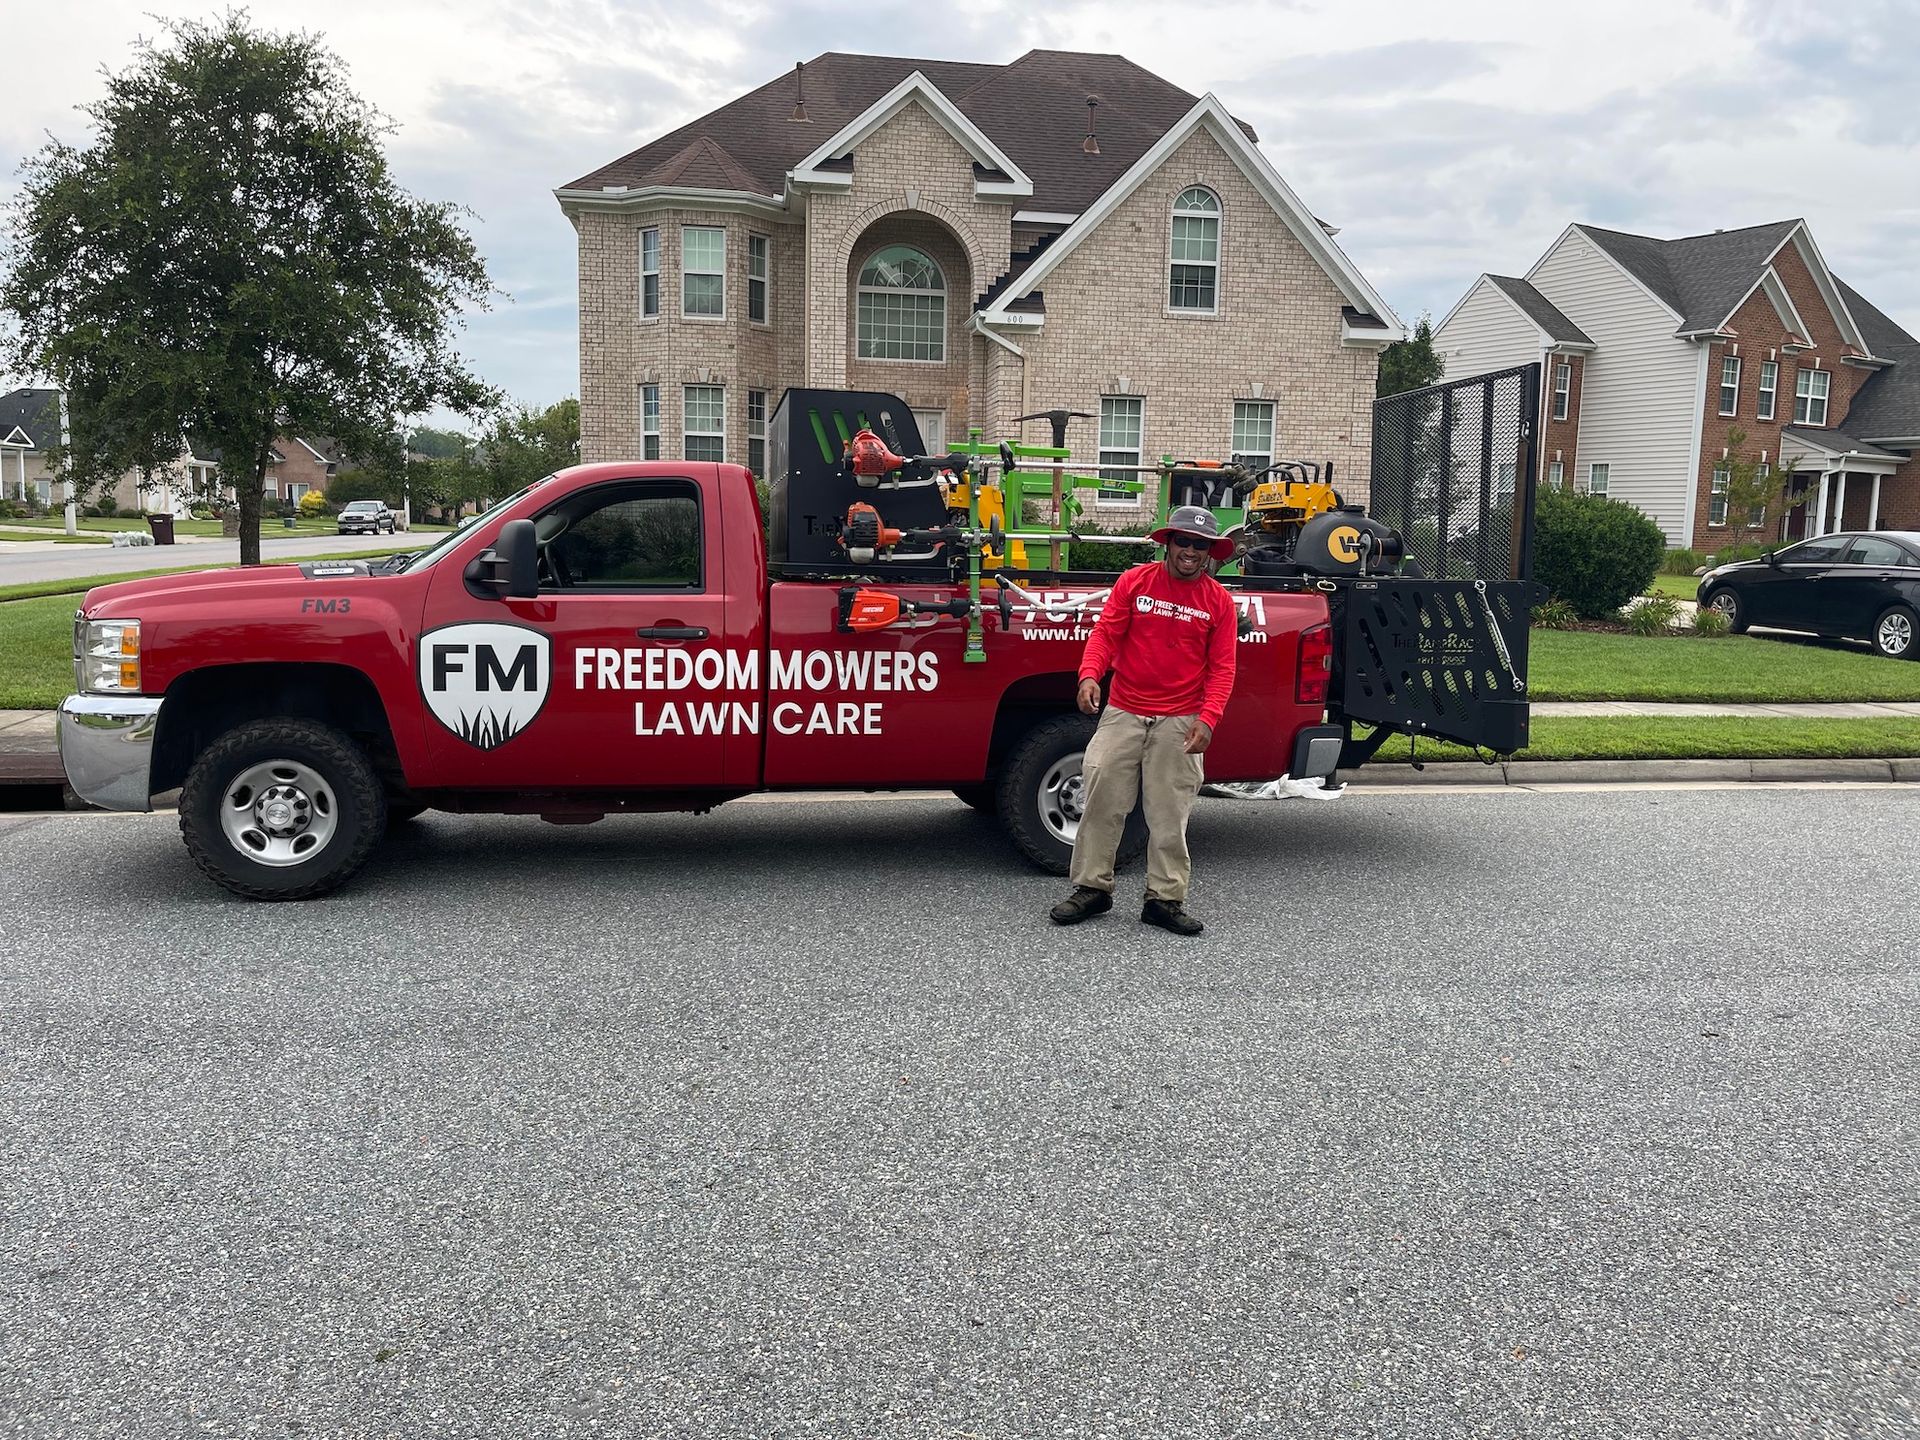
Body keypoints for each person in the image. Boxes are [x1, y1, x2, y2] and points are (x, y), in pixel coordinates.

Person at [1050, 505, 1238, 936]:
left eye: (1200, 544)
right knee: (1099, 799)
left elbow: (1223, 668)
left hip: (1180, 717)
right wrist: (1089, 676)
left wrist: (1208, 720)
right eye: (1184, 541)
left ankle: (1164, 899)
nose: (1191, 551)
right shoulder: (1135, 582)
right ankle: (1091, 889)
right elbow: (1106, 634)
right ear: (1168, 543)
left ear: (1210, 552)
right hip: (1125, 709)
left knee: (1170, 814)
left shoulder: (1219, 603)